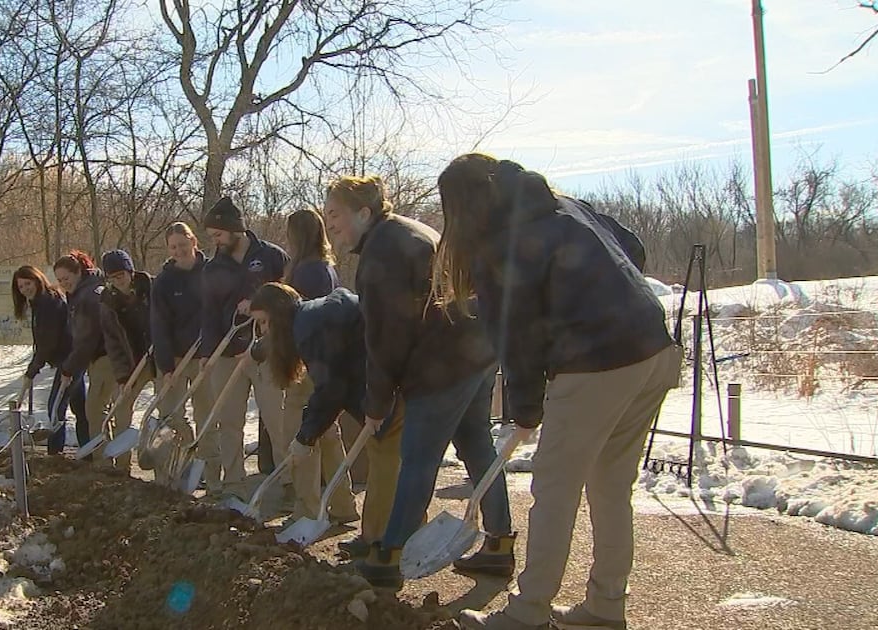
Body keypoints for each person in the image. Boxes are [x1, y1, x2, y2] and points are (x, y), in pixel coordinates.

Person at [432, 155, 679, 630]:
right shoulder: (564, 205)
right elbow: (631, 246)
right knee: (610, 488)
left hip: (596, 362)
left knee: (554, 491)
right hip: (653, 348)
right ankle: (606, 607)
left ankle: (528, 613)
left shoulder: (498, 244)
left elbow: (515, 336)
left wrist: (525, 409)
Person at [321, 174, 510, 590]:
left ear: (363, 212)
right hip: (477, 347)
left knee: (417, 455)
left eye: (335, 214)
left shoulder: (382, 255)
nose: (328, 223)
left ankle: (389, 555)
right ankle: (500, 544)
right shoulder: (406, 231)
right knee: (476, 442)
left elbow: (386, 339)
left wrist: (377, 403)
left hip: (443, 362)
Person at [250, 283, 394, 541]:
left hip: (392, 385)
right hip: (381, 384)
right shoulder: (310, 319)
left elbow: (330, 390)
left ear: (278, 315)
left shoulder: (308, 330)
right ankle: (380, 537)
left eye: (263, 322)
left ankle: (387, 540)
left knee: (388, 462)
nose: (262, 330)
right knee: (387, 461)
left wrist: (305, 436)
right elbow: (335, 385)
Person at [268, 209, 357, 524]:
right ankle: (344, 505)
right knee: (329, 434)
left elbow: (295, 319)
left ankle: (308, 508)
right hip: (324, 364)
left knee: (301, 435)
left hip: (308, 365)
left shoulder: (305, 272)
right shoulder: (327, 268)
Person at [198, 196, 288, 496]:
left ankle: (288, 484)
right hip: (227, 355)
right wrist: (209, 353)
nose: (215, 240)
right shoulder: (212, 268)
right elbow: (208, 313)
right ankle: (233, 483)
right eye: (212, 236)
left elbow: (291, 298)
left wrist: (261, 305)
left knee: (278, 420)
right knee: (229, 422)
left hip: (267, 352)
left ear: (236, 229)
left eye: (219, 234)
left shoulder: (272, 256)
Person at [53, 250, 135, 465]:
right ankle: (117, 460)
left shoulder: (87, 297)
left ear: (78, 272)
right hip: (107, 357)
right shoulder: (87, 291)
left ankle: (104, 463)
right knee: (112, 410)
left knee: (95, 410)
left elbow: (86, 339)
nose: (63, 284)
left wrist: (68, 369)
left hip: (105, 357)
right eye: (60, 280)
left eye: (66, 278)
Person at [149, 223, 214, 480]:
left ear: (193, 241)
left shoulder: (211, 272)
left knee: (208, 418)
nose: (179, 250)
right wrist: (166, 367)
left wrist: (211, 351)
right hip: (175, 359)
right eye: (173, 246)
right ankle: (172, 473)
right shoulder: (163, 282)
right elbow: (159, 325)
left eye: (183, 244)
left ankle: (212, 478)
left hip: (207, 358)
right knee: (169, 417)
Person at [12, 265, 86, 455]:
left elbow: (47, 344)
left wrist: (31, 372)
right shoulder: (39, 302)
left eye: (28, 283)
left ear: (37, 280)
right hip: (69, 359)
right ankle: (88, 450)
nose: (25, 289)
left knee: (55, 407)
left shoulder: (49, 303)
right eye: (21, 287)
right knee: (80, 409)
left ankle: (55, 454)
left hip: (70, 360)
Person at [98, 249, 156, 472]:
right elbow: (112, 342)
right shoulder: (108, 302)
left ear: (130, 272)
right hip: (134, 362)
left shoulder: (151, 288)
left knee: (168, 409)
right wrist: (123, 376)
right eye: (112, 277)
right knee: (121, 407)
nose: (117, 281)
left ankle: (162, 467)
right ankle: (123, 465)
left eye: (120, 275)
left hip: (159, 358)